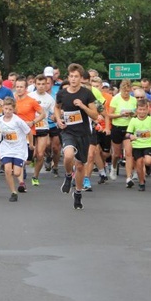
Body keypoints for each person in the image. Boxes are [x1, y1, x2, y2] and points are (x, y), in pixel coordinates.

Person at [54, 63, 99, 210]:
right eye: (71, 76)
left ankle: (78, 193)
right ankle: (68, 176)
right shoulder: (62, 93)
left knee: (80, 166)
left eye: (76, 77)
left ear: (81, 79)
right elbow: (57, 107)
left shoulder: (87, 94)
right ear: (68, 77)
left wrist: (82, 106)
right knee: (68, 156)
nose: (73, 79)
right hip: (68, 131)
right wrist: (58, 119)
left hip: (84, 133)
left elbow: (95, 115)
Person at [108, 79, 137, 186]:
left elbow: (136, 113)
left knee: (129, 154)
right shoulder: (115, 99)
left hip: (129, 128)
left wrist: (132, 114)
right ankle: (113, 167)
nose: (126, 94)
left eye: (127, 91)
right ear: (120, 90)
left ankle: (129, 178)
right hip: (117, 127)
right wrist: (121, 115)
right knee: (116, 154)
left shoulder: (133, 100)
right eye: (124, 91)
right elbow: (109, 115)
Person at [126, 99, 151, 191]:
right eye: (140, 109)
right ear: (137, 110)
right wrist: (131, 136)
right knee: (139, 165)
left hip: (148, 145)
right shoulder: (133, 120)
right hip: (137, 146)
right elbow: (128, 133)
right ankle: (141, 182)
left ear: (147, 110)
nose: (142, 112)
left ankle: (147, 166)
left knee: (148, 161)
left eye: (144, 109)